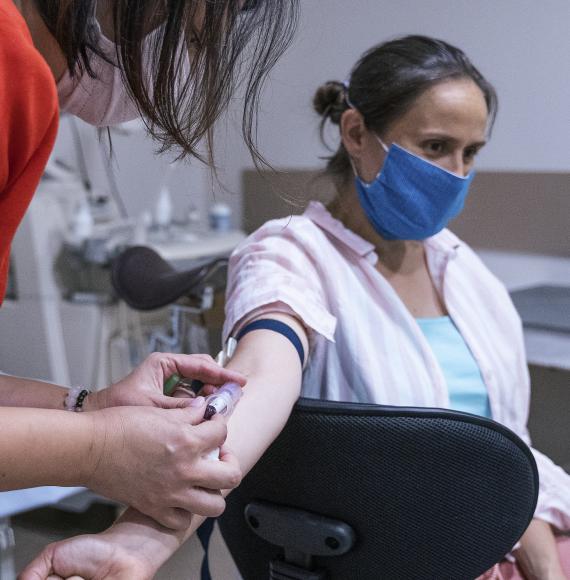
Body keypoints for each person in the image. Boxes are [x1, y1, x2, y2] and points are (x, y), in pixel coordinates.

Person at [21, 36, 570, 580]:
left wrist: (538, 550)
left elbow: (508, 441)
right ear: (356, 132)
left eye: (470, 153)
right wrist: (139, 541)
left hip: (505, 539)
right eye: (433, 147)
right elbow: (257, 378)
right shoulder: (291, 254)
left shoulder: (466, 272)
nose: (455, 172)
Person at [0, 0, 299, 530]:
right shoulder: (10, 70)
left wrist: (89, 408)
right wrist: (98, 450)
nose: (182, 58)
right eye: (191, 34)